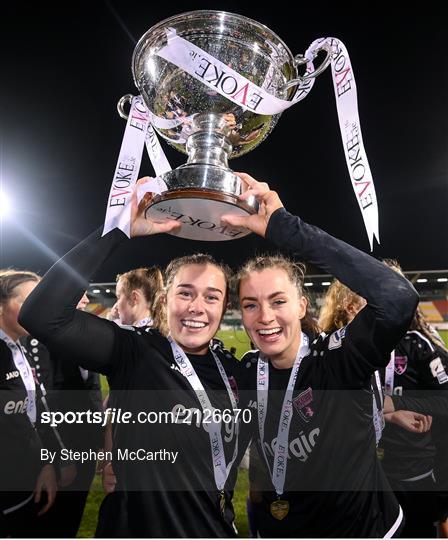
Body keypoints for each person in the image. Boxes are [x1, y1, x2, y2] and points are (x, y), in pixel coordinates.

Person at [19, 181, 254, 538]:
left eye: (212, 297)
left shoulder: (237, 371)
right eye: (185, 293)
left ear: (224, 308)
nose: (196, 307)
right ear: (164, 301)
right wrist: (117, 229)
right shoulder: (136, 351)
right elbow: (41, 315)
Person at [220, 172, 419, 537]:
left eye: (278, 301)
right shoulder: (247, 372)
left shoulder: (337, 360)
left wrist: (286, 228)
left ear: (300, 305)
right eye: (251, 305)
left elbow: (398, 299)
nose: (265, 317)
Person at [0, 270, 57, 537]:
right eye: (29, 301)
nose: (38, 310)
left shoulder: (20, 346)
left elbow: (30, 419)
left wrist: (43, 464)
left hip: (23, 483)